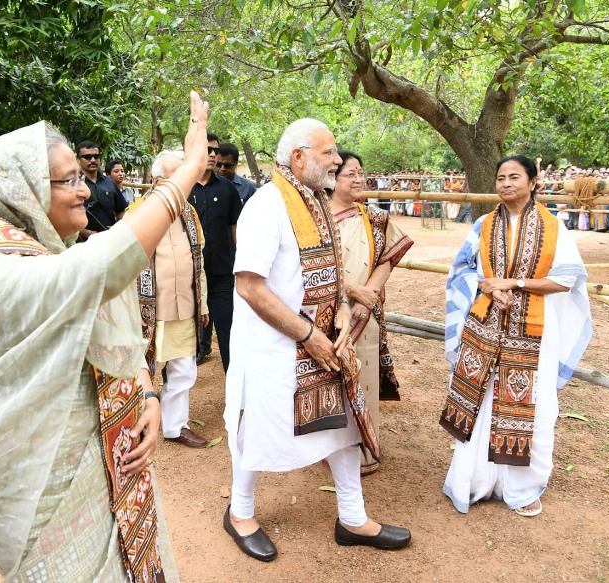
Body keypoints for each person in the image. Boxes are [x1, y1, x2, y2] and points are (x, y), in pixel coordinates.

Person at [0, 91, 210, 581]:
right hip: (46, 495)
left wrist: (145, 392)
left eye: (82, 178)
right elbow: (106, 267)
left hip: (115, 472)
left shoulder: (60, 254)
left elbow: (114, 317)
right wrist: (187, 169)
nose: (84, 190)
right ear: (24, 195)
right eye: (69, 180)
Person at [223, 118, 411, 562]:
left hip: (323, 343)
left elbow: (333, 272)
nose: (337, 160)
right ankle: (241, 513)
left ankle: (352, 518)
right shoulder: (267, 205)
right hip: (274, 348)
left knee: (343, 427)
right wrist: (308, 335)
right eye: (328, 153)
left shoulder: (316, 203)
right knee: (257, 429)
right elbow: (249, 287)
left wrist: (342, 310)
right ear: (299, 157)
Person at [441, 154, 592, 518]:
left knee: (533, 406)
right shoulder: (483, 224)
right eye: (501, 178)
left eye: (514, 177)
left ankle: (521, 489)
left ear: (533, 182)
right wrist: (489, 288)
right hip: (487, 325)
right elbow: (462, 268)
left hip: (534, 332)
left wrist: (516, 283)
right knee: (484, 400)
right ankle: (473, 480)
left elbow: (567, 279)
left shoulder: (555, 228)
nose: (506, 183)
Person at [329, 151, 414, 475]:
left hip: (367, 314)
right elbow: (311, 264)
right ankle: (332, 450)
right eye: (350, 173)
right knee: (331, 379)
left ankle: (364, 450)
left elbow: (386, 260)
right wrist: (351, 290)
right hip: (330, 313)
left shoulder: (375, 218)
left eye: (360, 173)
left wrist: (368, 295)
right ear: (333, 180)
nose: (358, 179)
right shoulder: (317, 220)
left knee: (364, 378)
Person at [140, 151, 210, 448]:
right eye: (176, 178)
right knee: (140, 371)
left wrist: (203, 303)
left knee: (183, 369)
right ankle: (136, 426)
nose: (185, 184)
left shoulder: (190, 214)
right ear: (157, 181)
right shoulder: (138, 214)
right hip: (147, 311)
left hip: (185, 307)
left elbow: (199, 263)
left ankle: (174, 426)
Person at [189, 132, 242, 370]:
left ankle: (238, 397)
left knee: (230, 333)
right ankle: (172, 398)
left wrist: (242, 265)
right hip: (187, 278)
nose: (212, 155)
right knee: (182, 338)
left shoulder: (229, 190)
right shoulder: (181, 189)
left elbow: (235, 229)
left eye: (215, 150)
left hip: (222, 275)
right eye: (207, 149)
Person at [77, 140, 128, 238]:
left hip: (109, 240)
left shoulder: (110, 183)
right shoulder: (73, 184)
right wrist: (86, 233)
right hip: (81, 244)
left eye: (96, 156)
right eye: (87, 157)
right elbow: (66, 219)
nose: (92, 160)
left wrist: (122, 227)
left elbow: (121, 210)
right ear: (78, 160)